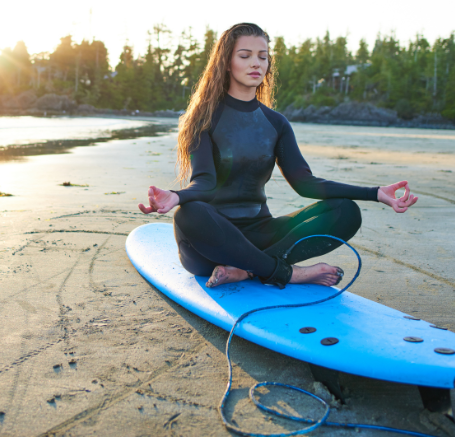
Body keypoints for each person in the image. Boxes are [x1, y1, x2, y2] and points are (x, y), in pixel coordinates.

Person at [138, 23, 417, 289]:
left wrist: (376, 193)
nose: (256, 63)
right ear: (226, 62)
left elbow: (305, 184)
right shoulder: (204, 119)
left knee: (345, 211)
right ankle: (287, 273)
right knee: (189, 214)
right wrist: (177, 196)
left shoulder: (276, 123)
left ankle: (247, 269)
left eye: (263, 56)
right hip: (210, 242)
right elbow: (205, 183)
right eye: (245, 55)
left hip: (261, 234)